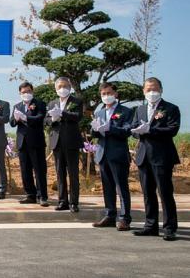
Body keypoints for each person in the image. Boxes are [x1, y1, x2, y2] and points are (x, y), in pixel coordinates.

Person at [131, 77, 180, 241]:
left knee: (165, 193)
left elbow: (173, 129)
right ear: (143, 91)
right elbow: (133, 129)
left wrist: (150, 130)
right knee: (147, 193)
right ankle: (150, 226)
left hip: (162, 156)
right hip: (143, 156)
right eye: (148, 89)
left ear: (161, 90)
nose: (152, 92)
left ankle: (169, 228)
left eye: (155, 89)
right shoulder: (139, 109)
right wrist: (138, 131)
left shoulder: (171, 108)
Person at [90, 82, 133, 231]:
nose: (106, 96)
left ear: (116, 94)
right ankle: (110, 215)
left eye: (109, 93)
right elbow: (95, 133)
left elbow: (127, 130)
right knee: (107, 187)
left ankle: (124, 218)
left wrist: (110, 128)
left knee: (121, 187)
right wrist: (94, 130)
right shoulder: (99, 112)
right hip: (102, 154)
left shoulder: (125, 111)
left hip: (118, 154)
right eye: (103, 94)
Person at [45, 77, 83, 212]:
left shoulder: (76, 101)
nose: (63, 89)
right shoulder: (52, 103)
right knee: (60, 173)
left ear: (70, 87)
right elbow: (46, 120)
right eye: (60, 86)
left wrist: (62, 113)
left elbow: (77, 116)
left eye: (65, 86)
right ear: (56, 88)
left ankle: (74, 203)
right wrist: (53, 119)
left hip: (71, 142)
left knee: (73, 174)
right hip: (57, 142)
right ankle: (62, 201)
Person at [9, 82, 49, 207]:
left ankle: (42, 196)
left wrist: (25, 117)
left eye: (28, 91)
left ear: (32, 91)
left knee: (39, 170)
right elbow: (12, 122)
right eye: (23, 92)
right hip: (22, 142)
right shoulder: (17, 106)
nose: (26, 94)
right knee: (25, 170)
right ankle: (30, 194)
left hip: (36, 141)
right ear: (20, 93)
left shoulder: (39, 104)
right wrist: (16, 119)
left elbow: (40, 117)